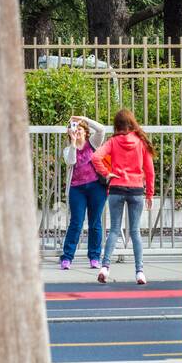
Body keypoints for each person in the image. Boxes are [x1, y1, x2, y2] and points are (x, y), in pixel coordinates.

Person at [93, 108, 155, 284]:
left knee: (114, 230)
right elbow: (150, 171)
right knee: (135, 232)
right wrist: (149, 193)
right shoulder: (141, 143)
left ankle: (105, 267)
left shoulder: (113, 142)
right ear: (131, 123)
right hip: (136, 189)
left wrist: (106, 173)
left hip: (116, 188)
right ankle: (140, 272)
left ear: (117, 124)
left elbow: (95, 157)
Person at [59, 116, 110, 270]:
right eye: (74, 129)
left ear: (86, 132)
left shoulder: (93, 143)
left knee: (95, 223)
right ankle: (67, 257)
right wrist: (74, 143)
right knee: (76, 222)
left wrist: (83, 119)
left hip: (96, 187)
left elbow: (102, 129)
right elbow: (71, 162)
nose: (77, 131)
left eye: (80, 129)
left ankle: (94, 257)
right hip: (77, 189)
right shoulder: (68, 149)